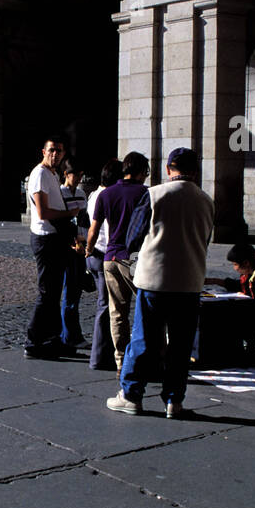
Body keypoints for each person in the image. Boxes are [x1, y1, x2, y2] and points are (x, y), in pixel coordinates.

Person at [107, 147, 214, 419]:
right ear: (195, 170)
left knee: (144, 340)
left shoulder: (154, 195)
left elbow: (132, 237)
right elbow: (206, 239)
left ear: (168, 169)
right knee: (180, 346)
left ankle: (131, 395)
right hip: (189, 281)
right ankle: (174, 401)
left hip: (154, 279)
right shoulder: (206, 200)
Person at [86, 151, 150, 375]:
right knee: (145, 307)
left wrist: (88, 251)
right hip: (132, 258)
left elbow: (94, 229)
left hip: (109, 257)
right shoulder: (145, 193)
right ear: (142, 171)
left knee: (117, 313)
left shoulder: (106, 194)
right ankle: (145, 359)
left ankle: (121, 361)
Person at [24, 139, 75, 359]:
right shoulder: (40, 174)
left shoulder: (52, 174)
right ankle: (32, 341)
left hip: (54, 237)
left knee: (54, 293)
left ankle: (53, 339)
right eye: (51, 150)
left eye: (59, 151)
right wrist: (70, 214)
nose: (55, 154)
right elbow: (44, 212)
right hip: (45, 239)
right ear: (44, 151)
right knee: (46, 293)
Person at [85, 159, 121, 371]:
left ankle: (102, 353)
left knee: (105, 304)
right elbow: (103, 229)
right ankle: (99, 355)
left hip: (95, 254)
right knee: (106, 305)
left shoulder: (93, 195)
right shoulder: (108, 196)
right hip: (104, 253)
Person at [58, 156, 88, 350]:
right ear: (66, 175)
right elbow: (61, 222)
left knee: (76, 292)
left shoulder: (81, 194)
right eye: (74, 175)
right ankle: (69, 335)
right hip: (68, 247)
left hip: (81, 246)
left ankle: (71, 333)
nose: (77, 179)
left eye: (79, 175)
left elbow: (85, 220)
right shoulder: (59, 194)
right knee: (69, 292)